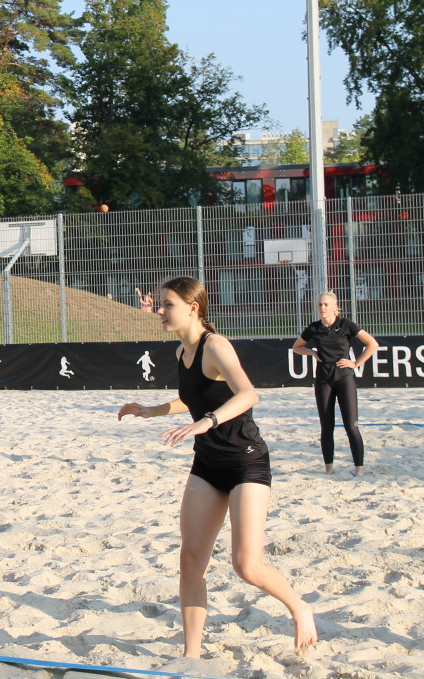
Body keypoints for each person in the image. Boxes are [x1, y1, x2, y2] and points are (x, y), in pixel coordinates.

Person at [117, 276, 316, 657]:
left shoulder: (216, 346)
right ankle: (191, 656)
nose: (159, 310)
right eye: (160, 303)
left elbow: (248, 394)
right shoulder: (182, 352)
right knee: (191, 562)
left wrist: (207, 420)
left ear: (193, 308)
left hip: (246, 463)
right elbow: (189, 398)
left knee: (247, 565)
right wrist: (151, 410)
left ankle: (299, 606)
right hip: (207, 464)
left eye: (167, 304)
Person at [291, 291, 378, 476]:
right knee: (326, 425)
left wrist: (355, 363)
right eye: (320, 305)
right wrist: (312, 353)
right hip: (323, 380)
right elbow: (297, 347)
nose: (322, 308)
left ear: (335, 307)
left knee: (351, 425)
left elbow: (372, 344)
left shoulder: (346, 325)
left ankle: (359, 470)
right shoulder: (314, 328)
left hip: (344, 378)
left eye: (326, 305)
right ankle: (329, 469)